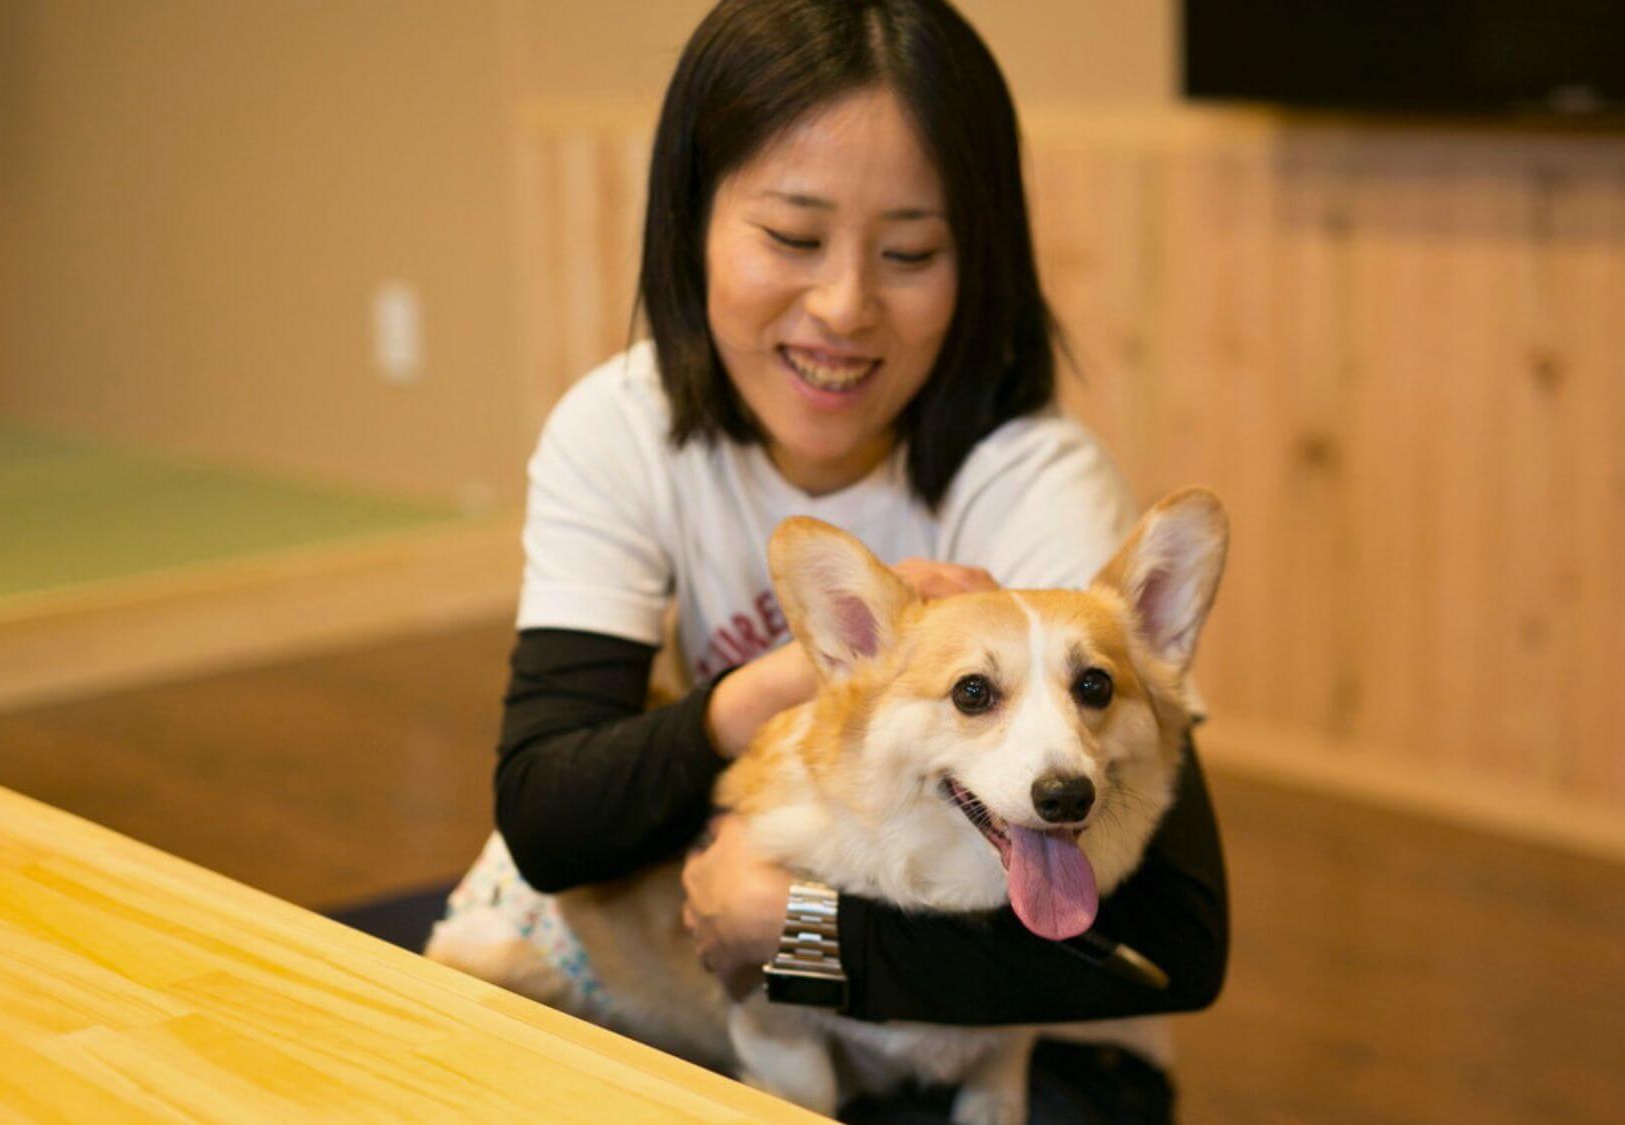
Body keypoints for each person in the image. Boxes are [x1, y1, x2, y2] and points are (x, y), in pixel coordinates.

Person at [464, 0, 1228, 1119]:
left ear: (980, 262)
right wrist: (782, 681)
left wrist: (800, 932)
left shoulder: (1033, 484)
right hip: (773, 1013)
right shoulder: (618, 432)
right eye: (790, 235)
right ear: (691, 220)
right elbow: (546, 816)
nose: (842, 307)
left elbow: (1174, 942)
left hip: (1023, 1036)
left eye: (909, 251)